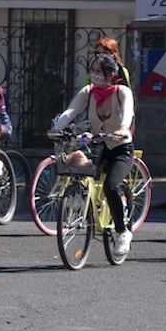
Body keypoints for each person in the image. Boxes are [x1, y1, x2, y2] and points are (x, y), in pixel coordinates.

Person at [52, 54, 136, 257]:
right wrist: (56, 128)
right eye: (93, 71)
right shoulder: (88, 93)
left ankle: (122, 231)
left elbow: (127, 113)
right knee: (76, 165)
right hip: (99, 144)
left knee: (111, 185)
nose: (95, 76)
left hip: (121, 148)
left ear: (111, 74)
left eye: (99, 71)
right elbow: (70, 111)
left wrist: (123, 129)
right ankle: (78, 202)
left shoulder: (121, 92)